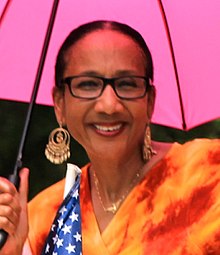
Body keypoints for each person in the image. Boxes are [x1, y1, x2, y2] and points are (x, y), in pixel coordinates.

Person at [0, 20, 219, 255]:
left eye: (126, 84)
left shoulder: (207, 174)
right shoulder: (43, 216)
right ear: (59, 104)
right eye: (88, 85)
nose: (109, 105)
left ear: (150, 101)